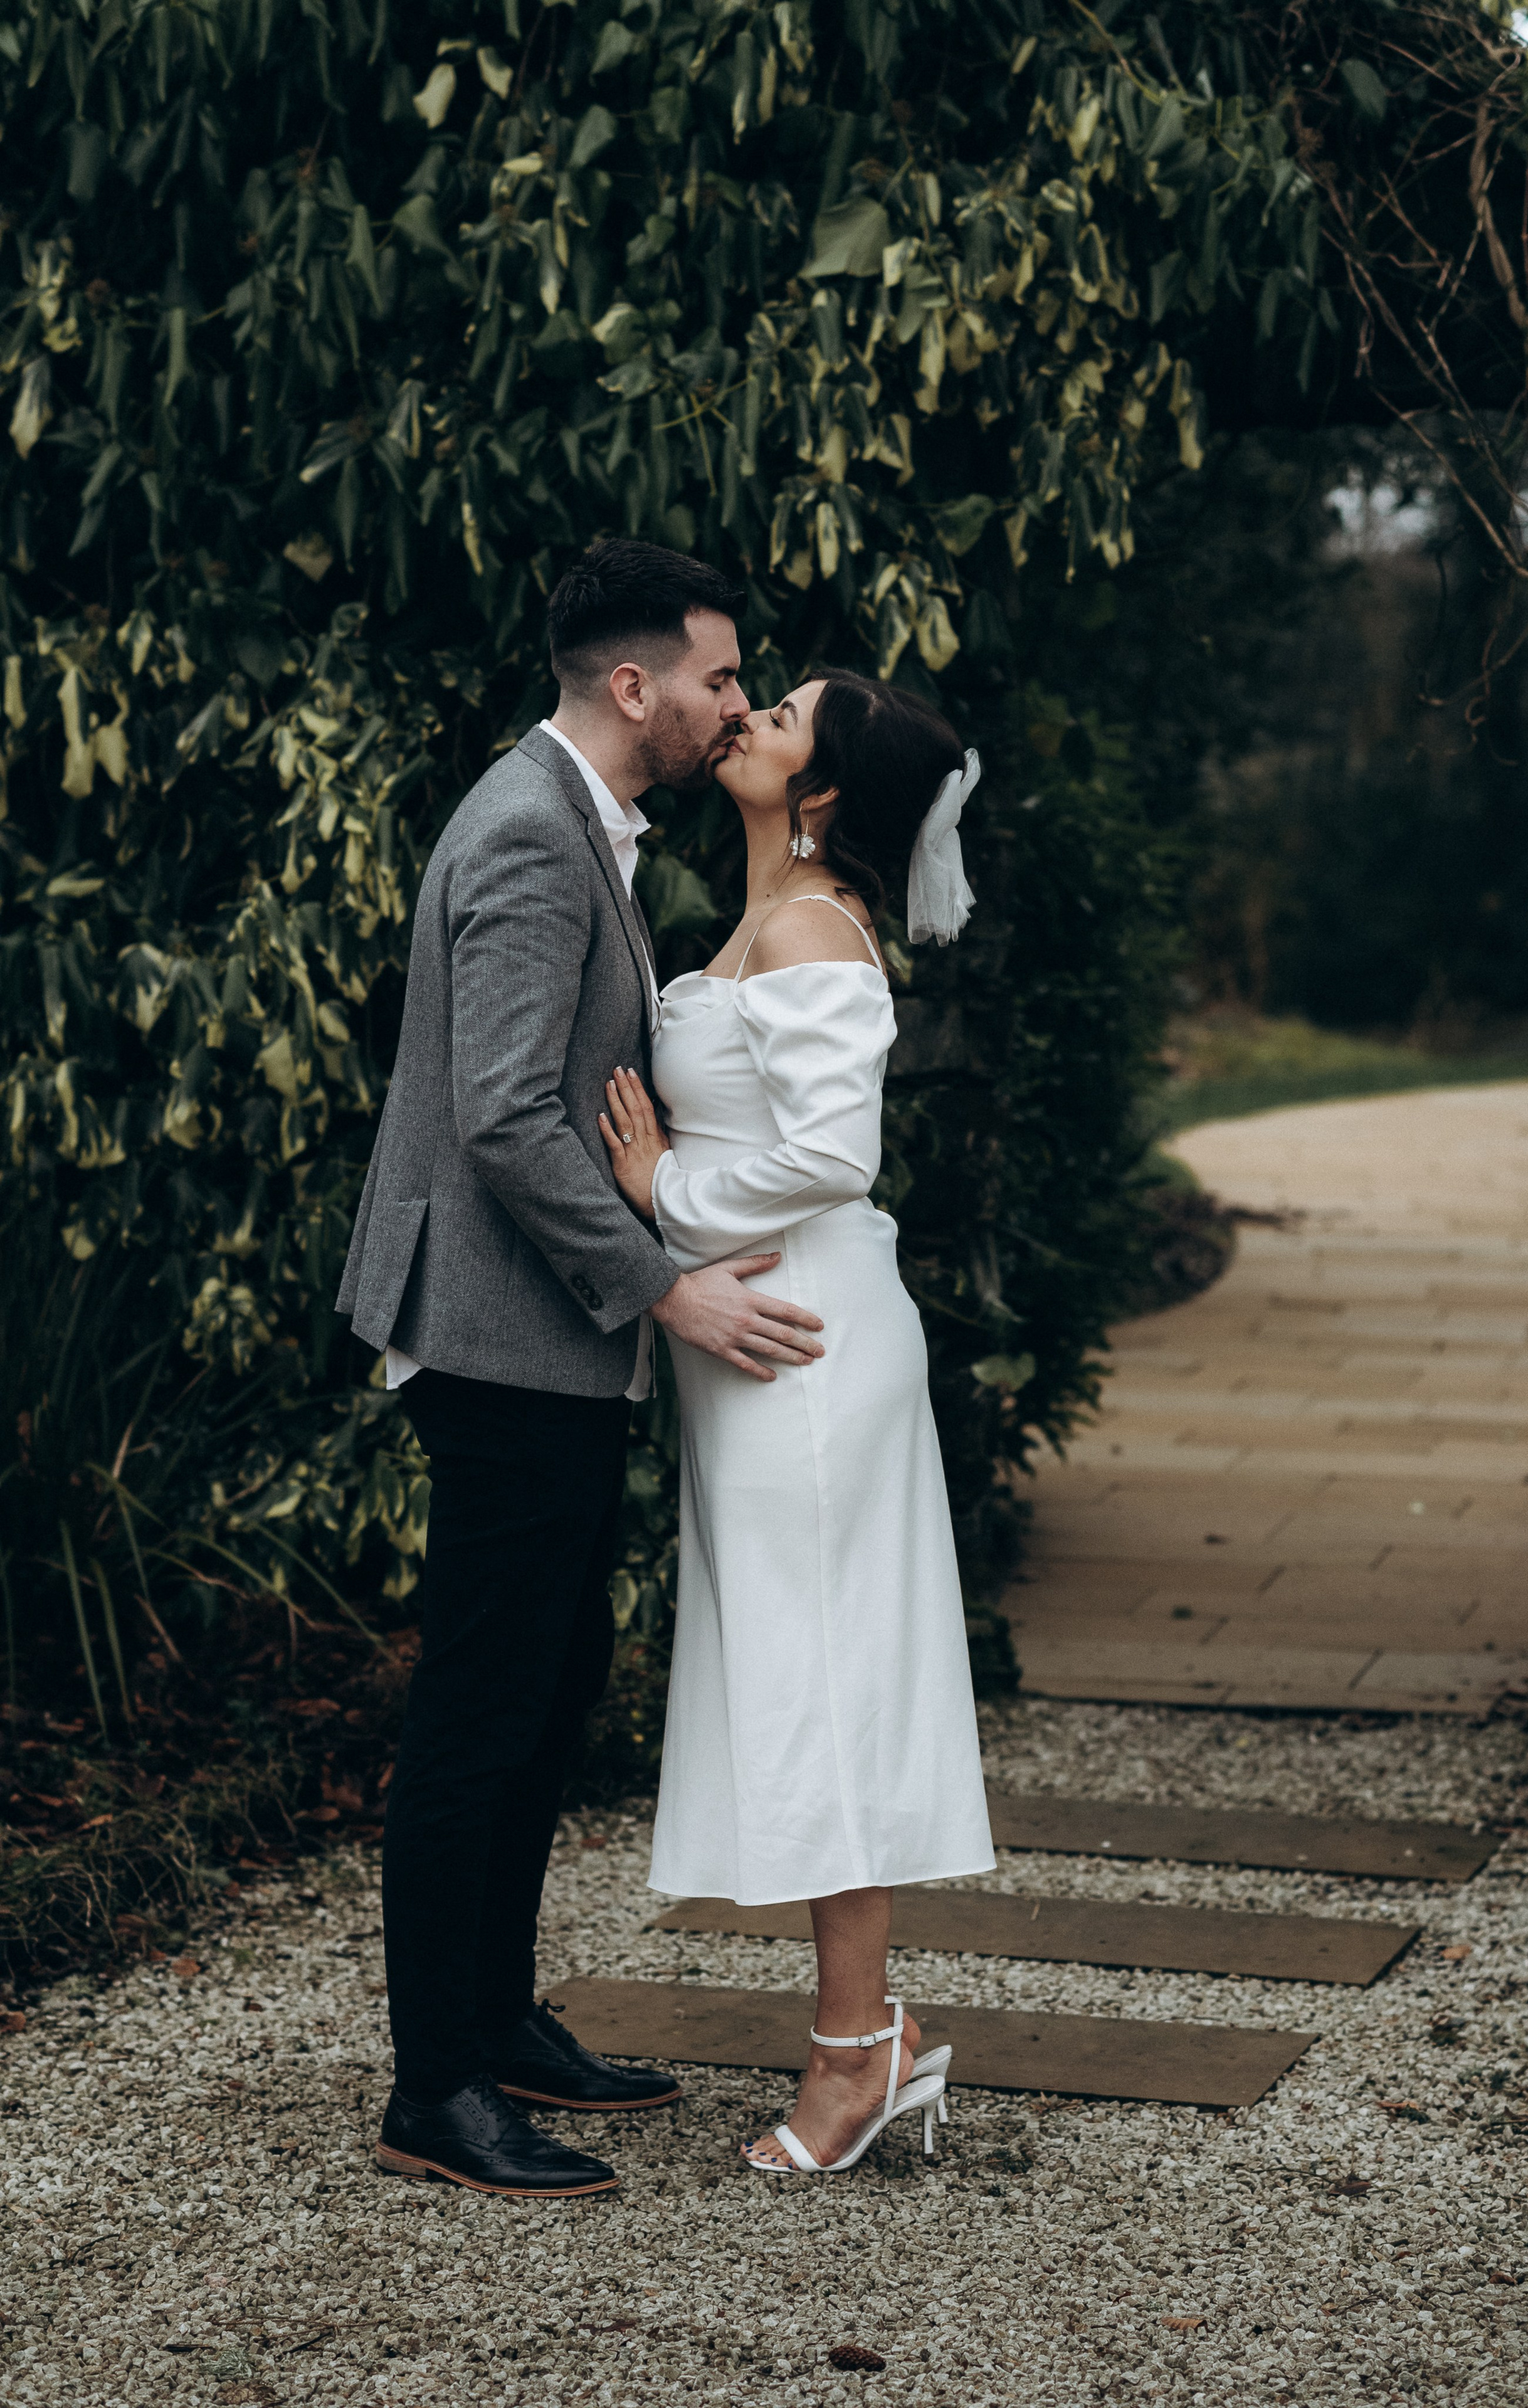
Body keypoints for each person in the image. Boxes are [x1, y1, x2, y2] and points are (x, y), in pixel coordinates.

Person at [335, 539, 830, 2200]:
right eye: (716, 677)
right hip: (501, 1333)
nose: (734, 704)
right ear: (635, 687)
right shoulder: (532, 836)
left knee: (545, 1686)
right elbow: (499, 1118)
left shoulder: (572, 821)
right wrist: (669, 1289)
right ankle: (433, 2091)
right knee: (485, 1704)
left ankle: (492, 2023)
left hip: (540, 1331)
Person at [599, 669, 994, 2177]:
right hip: (764, 1340)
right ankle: (867, 2034)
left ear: (819, 796)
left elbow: (834, 1154)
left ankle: (853, 2055)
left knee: (826, 1679)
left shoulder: (816, 929)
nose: (748, 717)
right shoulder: (768, 914)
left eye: (782, 719)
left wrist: (664, 1204)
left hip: (802, 1341)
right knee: (803, 1667)